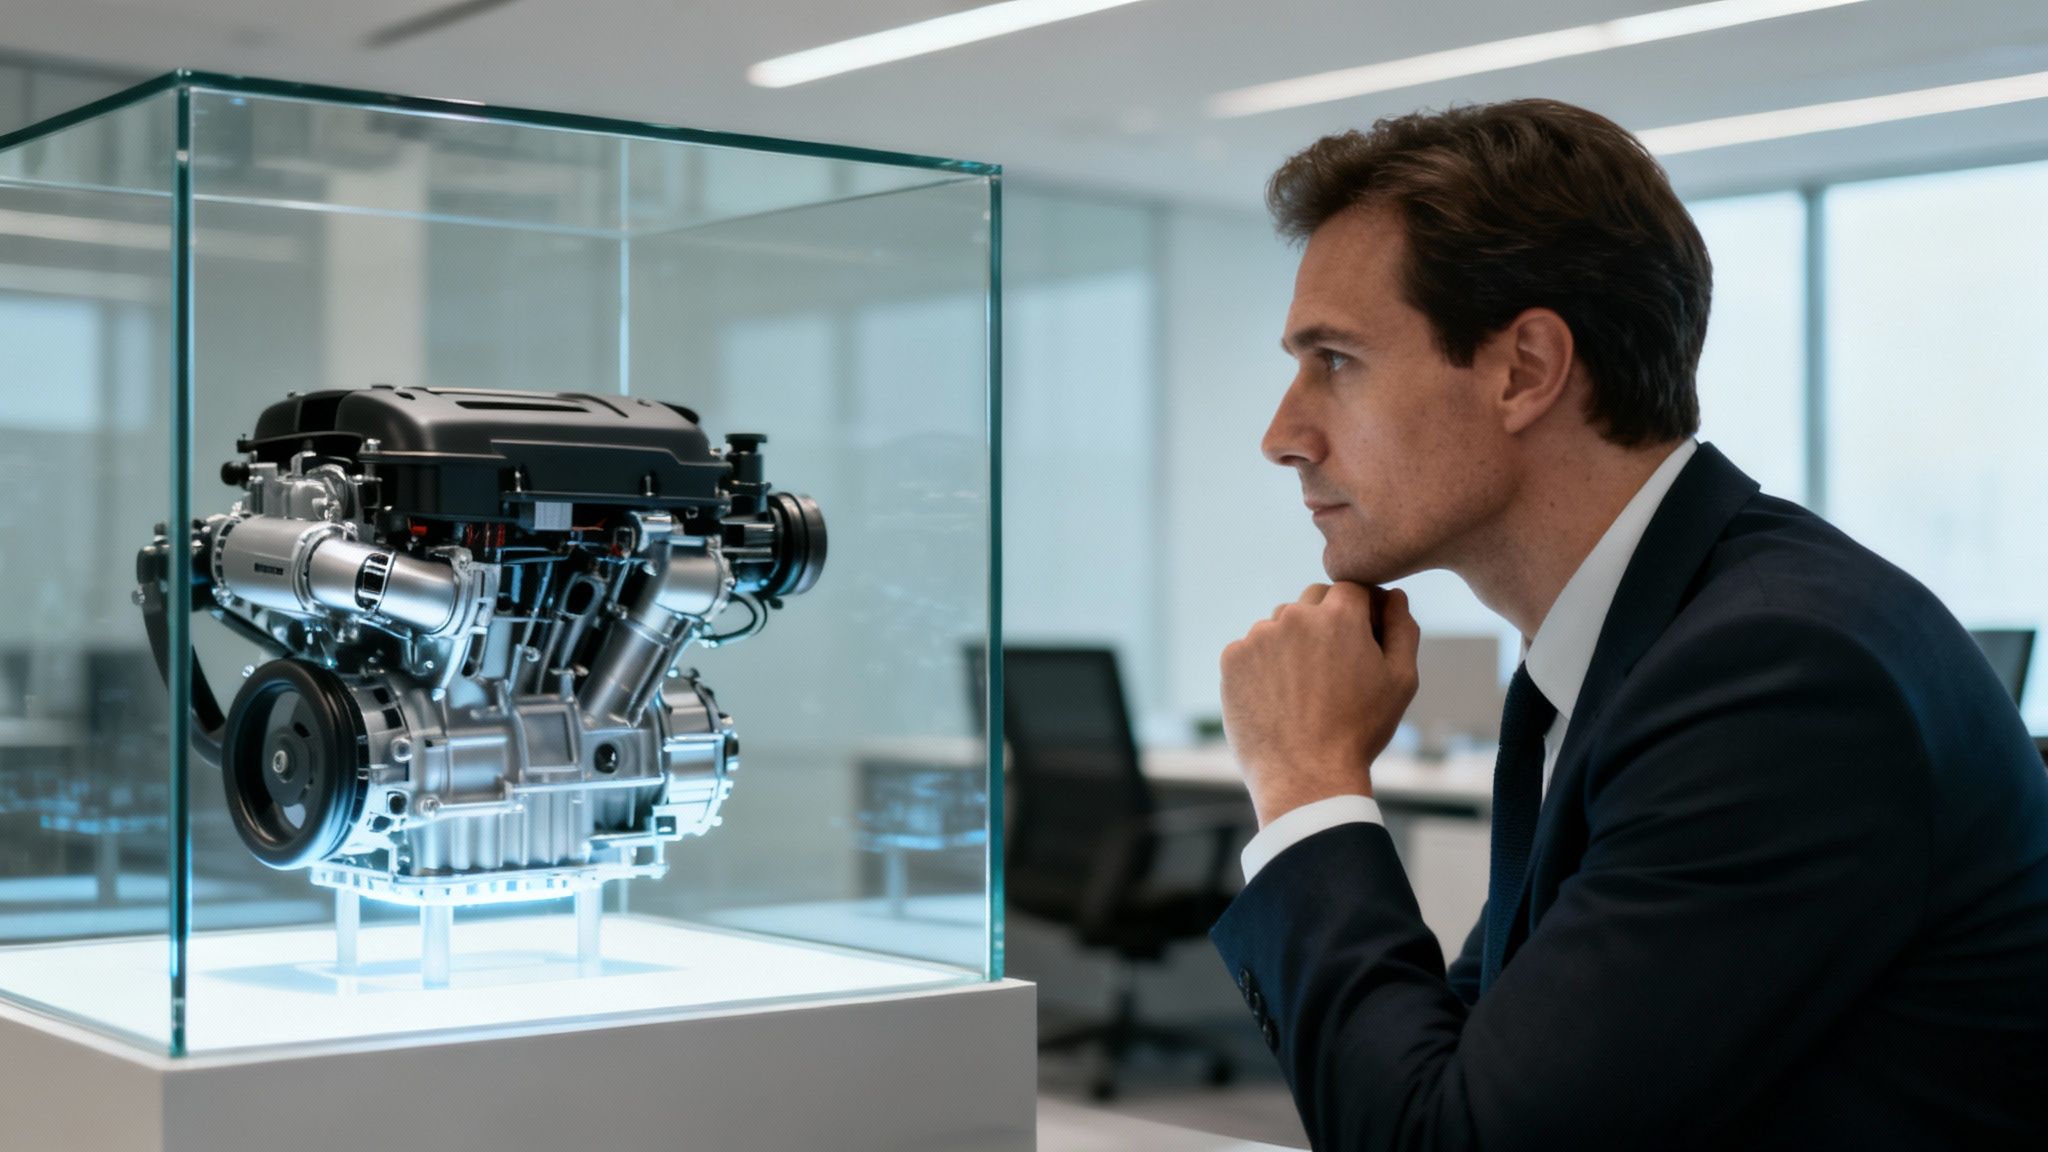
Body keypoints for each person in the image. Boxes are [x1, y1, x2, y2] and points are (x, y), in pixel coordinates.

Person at [1212, 100, 2048, 1150]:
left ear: (1523, 370)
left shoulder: (1774, 678)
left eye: (1332, 359)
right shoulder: (1625, 654)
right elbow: (1474, 1058)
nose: (1281, 434)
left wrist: (1303, 785)